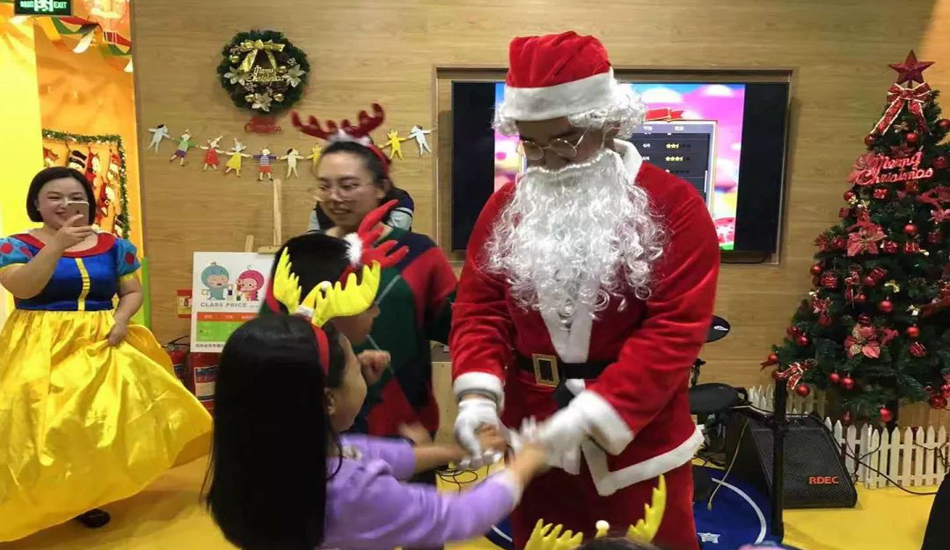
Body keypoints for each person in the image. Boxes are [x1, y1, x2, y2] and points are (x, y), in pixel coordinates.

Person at [450, 31, 720, 550]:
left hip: (638, 451)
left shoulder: (674, 204)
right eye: (532, 143)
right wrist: (478, 399)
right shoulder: (505, 206)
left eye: (565, 139)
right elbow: (480, 311)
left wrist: (590, 417)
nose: (547, 159)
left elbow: (675, 330)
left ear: (608, 124)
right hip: (533, 443)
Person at [207, 268, 549, 550]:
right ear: (328, 401)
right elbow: (459, 516)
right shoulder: (353, 492)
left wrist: (453, 451)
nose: (364, 362)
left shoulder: (266, 464)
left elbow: (366, 452)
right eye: (354, 365)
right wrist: (523, 465)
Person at [0, 167, 212, 541]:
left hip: (102, 340)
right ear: (36, 203)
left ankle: (88, 495)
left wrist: (121, 319)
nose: (66, 204)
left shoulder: (115, 246)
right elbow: (24, 288)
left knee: (97, 423)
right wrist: (57, 245)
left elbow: (131, 292)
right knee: (40, 424)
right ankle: (38, 494)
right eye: (54, 197)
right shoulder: (15, 246)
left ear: (89, 201)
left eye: (76, 197)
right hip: (39, 344)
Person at [290, 123, 456, 439]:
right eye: (324, 186)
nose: (334, 197)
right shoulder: (300, 256)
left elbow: (462, 329)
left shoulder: (420, 253)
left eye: (348, 185)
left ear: (381, 187)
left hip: (406, 428)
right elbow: (277, 343)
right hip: (319, 428)